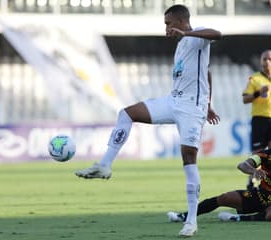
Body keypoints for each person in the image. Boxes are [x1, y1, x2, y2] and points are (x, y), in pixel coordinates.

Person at [75, 4, 222, 237]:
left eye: (168, 24)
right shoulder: (182, 46)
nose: (166, 29)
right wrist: (211, 103)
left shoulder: (196, 35)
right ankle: (104, 165)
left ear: (181, 22)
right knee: (127, 113)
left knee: (188, 158)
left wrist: (206, 105)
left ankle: (192, 221)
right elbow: (208, 73)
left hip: (192, 109)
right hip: (173, 101)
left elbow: (217, 34)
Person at [167, 129, 271, 223]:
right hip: (259, 195)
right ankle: (185, 216)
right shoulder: (266, 154)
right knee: (224, 197)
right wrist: (254, 171)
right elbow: (242, 165)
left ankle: (237, 218)